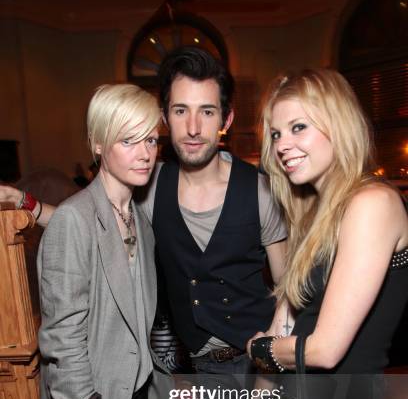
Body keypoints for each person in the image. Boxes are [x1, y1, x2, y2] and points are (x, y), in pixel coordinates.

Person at [208, 68, 408, 399]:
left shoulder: (372, 203)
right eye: (275, 134)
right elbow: (285, 332)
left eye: (297, 128)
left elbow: (323, 349)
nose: (281, 146)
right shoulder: (316, 213)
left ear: (337, 125)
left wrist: (257, 348)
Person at [2, 46, 288, 376]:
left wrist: (271, 358)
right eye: (181, 111)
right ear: (164, 117)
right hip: (199, 368)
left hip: (261, 361)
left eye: (207, 112)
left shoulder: (260, 189)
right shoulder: (152, 186)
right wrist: (24, 202)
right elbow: (87, 223)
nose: (193, 127)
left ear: (227, 118)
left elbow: (287, 289)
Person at [36, 83, 184, 399]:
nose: (145, 152)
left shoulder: (136, 217)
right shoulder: (76, 220)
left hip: (140, 393)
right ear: (98, 144)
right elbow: (61, 338)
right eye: (129, 140)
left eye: (150, 139)